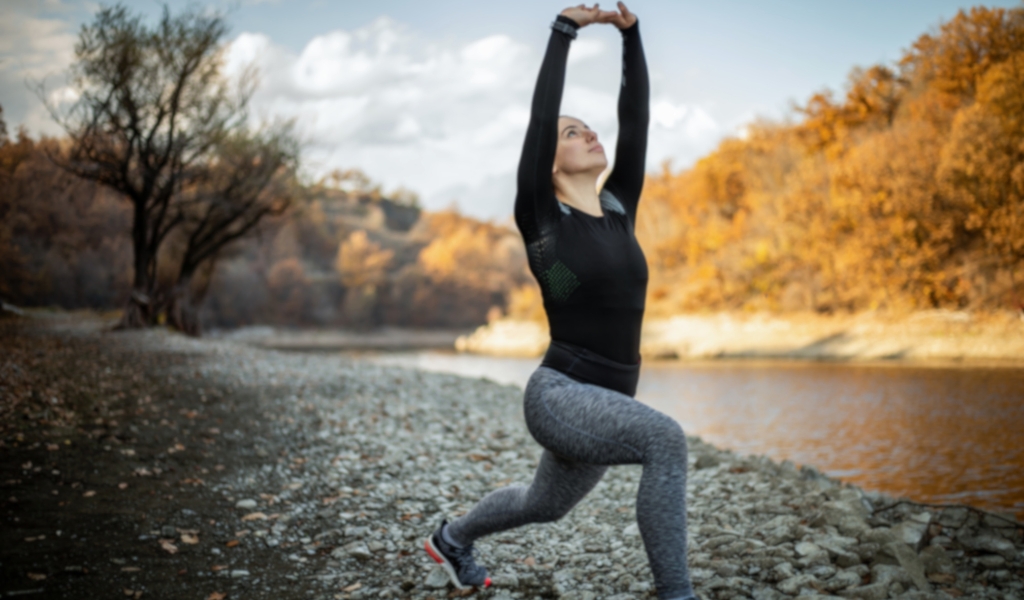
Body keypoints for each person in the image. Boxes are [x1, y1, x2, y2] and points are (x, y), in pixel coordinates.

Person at [423, 4, 697, 599]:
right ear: (547, 161)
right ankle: (677, 594)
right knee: (666, 441)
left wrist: (632, 36)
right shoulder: (543, 219)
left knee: (543, 505)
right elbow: (541, 114)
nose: (589, 133)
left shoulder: (619, 210)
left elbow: (637, 118)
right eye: (572, 133)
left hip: (603, 399)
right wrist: (564, 31)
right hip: (560, 394)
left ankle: (452, 538)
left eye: (588, 128)